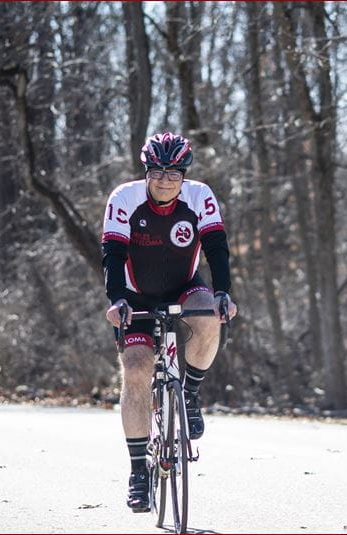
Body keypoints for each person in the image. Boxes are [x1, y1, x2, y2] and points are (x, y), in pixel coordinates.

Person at [101, 131, 237, 512]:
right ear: (147, 171)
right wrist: (116, 301)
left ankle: (190, 394)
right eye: (158, 172)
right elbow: (112, 254)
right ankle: (138, 473)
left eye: (173, 174)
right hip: (135, 295)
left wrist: (223, 291)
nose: (165, 180)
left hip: (183, 286)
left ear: (184, 175)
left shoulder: (200, 197)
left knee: (210, 315)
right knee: (137, 369)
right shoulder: (125, 199)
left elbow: (216, 247)